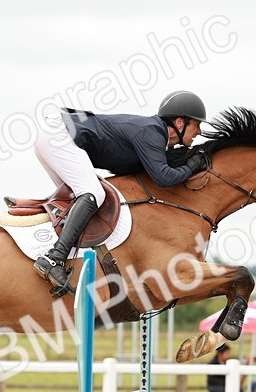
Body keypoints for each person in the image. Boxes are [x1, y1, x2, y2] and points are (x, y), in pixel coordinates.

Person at [32, 90, 211, 290]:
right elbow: (164, 178)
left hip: (54, 135)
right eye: (197, 124)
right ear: (180, 123)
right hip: (58, 135)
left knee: (79, 202)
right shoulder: (152, 132)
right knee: (94, 194)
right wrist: (191, 167)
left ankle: (55, 254)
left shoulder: (155, 136)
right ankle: (54, 258)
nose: (200, 131)